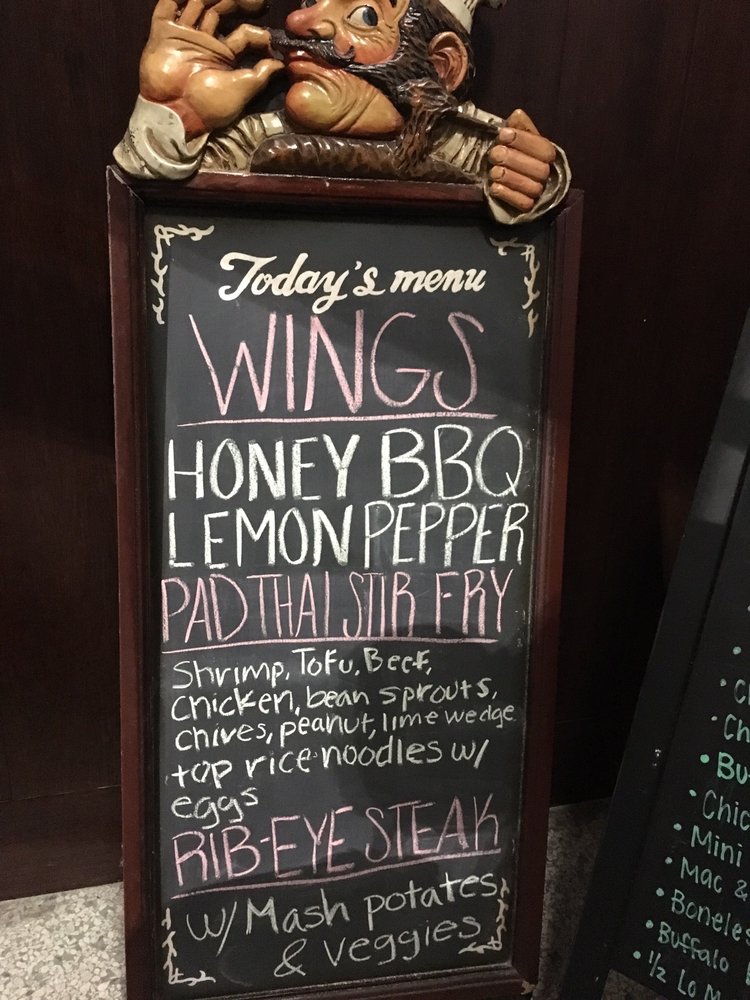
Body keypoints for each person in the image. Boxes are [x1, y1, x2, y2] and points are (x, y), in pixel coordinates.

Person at [114, 0, 570, 224]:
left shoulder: (468, 153)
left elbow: (523, 178)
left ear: (440, 66)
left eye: (366, 15)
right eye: (312, 0)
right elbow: (155, 187)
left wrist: (534, 181)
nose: (299, 22)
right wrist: (176, 111)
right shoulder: (252, 143)